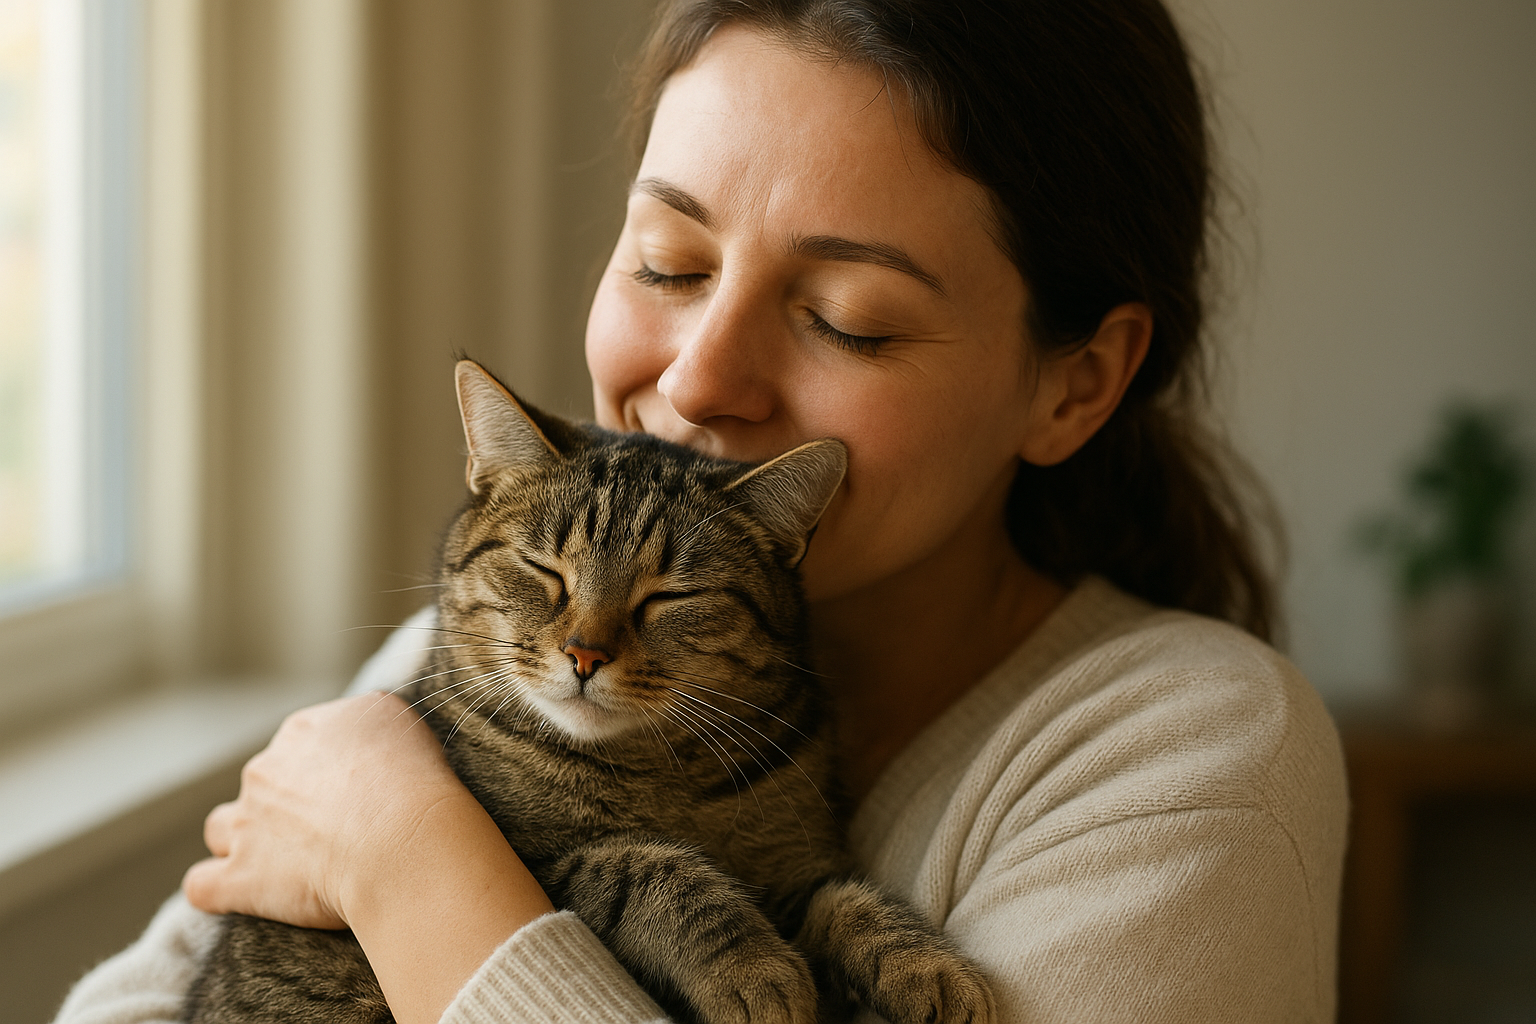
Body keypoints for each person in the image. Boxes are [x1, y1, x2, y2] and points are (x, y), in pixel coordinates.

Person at [55, 1, 1347, 1022]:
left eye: (850, 319)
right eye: (666, 262)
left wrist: (408, 862)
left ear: (1078, 385)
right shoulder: (498, 640)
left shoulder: (1189, 761)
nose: (696, 381)